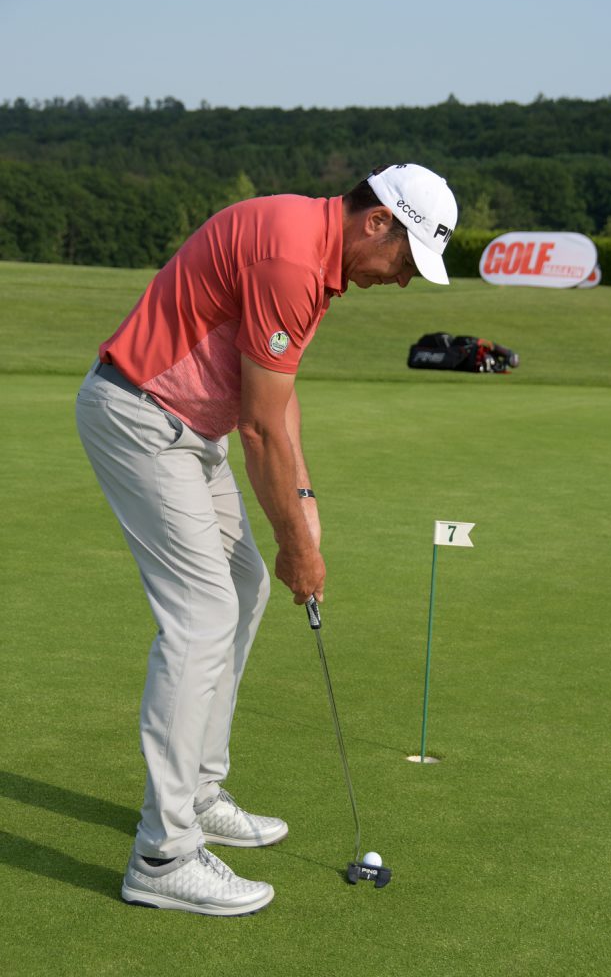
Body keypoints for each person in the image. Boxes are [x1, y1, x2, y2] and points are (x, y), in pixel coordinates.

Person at [75, 163, 458, 916]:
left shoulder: (310, 248)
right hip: (142, 418)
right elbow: (256, 425)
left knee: (243, 587)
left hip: (188, 430)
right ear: (377, 221)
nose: (404, 281)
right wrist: (300, 548)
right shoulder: (290, 255)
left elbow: (277, 400)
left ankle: (198, 793)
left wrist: (303, 502)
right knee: (202, 618)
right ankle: (163, 854)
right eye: (406, 261)